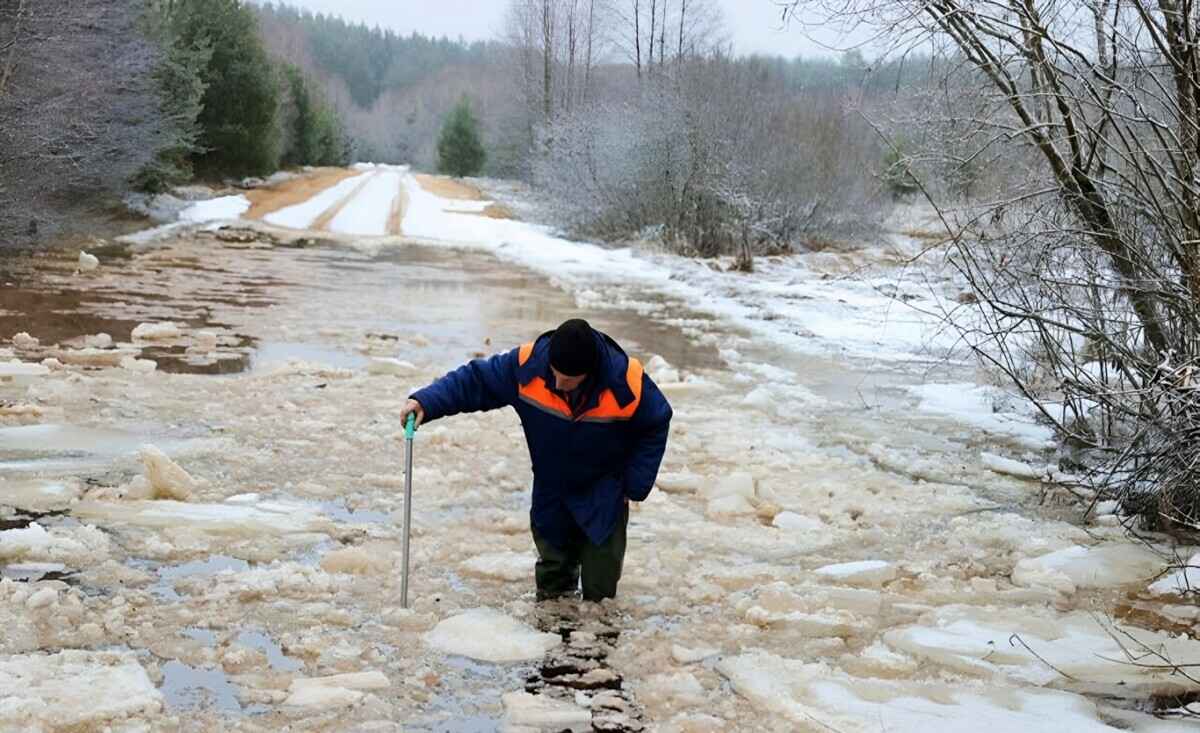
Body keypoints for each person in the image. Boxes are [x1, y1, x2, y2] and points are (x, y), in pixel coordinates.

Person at [400, 318, 673, 602]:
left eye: (567, 380)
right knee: (552, 580)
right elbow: (476, 381)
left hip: (604, 492)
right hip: (551, 490)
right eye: (554, 374)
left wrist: (635, 485)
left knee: (600, 590)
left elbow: (656, 422)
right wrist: (427, 402)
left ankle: (597, 643)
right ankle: (552, 639)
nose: (556, 383)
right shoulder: (529, 365)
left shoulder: (625, 381)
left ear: (589, 373)